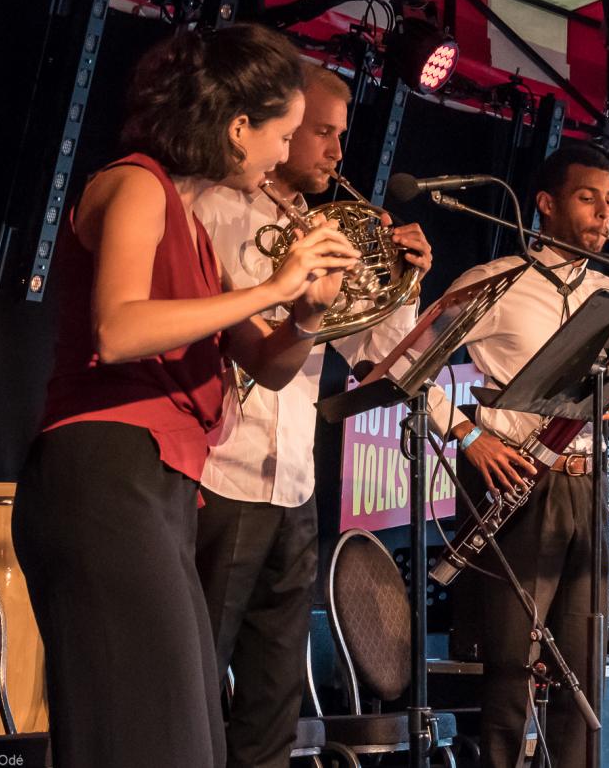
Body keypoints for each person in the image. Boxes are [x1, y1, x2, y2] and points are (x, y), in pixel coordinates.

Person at [12, 24, 358, 768]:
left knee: (186, 731)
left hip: (160, 481)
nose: (283, 156)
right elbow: (119, 328)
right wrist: (271, 286)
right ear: (238, 127)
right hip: (106, 468)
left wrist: (307, 312)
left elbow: (267, 365)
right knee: (150, 732)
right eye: (283, 135)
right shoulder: (136, 184)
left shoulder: (192, 226)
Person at [193, 63, 432, 768]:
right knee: (195, 686)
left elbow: (381, 360)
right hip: (222, 476)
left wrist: (405, 283)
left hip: (295, 486)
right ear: (282, 126)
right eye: (321, 132)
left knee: (274, 701)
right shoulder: (215, 208)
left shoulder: (327, 228)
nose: (335, 150)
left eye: (339, 134)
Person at [431, 143, 609, 768]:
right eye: (587, 198)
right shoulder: (493, 283)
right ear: (545, 204)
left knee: (583, 670)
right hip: (520, 482)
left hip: (590, 486)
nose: (603, 214)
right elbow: (408, 365)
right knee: (509, 668)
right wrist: (469, 435)